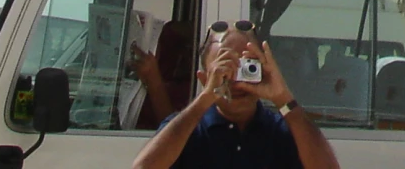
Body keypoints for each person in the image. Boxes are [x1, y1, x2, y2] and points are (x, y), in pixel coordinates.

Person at [133, 19, 341, 169]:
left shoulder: (284, 132)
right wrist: (205, 99)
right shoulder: (188, 131)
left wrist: (283, 98)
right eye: (224, 70)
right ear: (205, 78)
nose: (237, 82)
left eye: (247, 67)